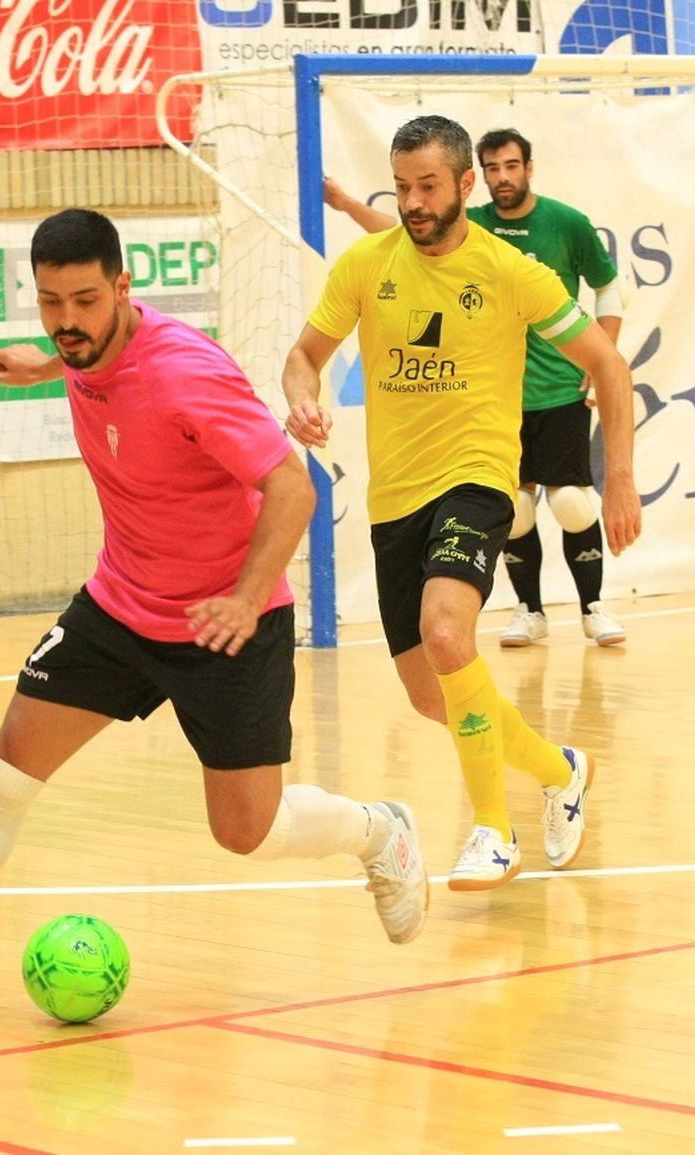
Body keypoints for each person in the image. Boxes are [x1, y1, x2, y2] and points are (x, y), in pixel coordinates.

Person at [0, 210, 429, 1008]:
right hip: (121, 603)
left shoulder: (184, 373)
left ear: (124, 289)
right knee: (3, 770)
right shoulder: (85, 347)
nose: (68, 322)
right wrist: (43, 366)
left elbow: (293, 487)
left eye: (86, 302)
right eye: (51, 303)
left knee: (246, 830)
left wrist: (242, 599)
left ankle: (378, 829)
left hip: (223, 620)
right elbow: (91, 364)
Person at [286, 115, 641, 892]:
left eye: (428, 187)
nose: (412, 202)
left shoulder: (511, 270)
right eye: (402, 186)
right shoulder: (365, 264)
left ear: (464, 186)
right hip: (394, 499)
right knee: (430, 693)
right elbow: (304, 357)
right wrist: (302, 398)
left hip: (477, 476)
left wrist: (617, 476)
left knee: (447, 630)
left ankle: (493, 828)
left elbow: (608, 365)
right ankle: (561, 768)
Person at [325, 127, 629, 648]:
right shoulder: (436, 233)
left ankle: (592, 605)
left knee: (574, 504)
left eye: (511, 166)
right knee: (520, 514)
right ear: (479, 177)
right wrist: (350, 204)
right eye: (402, 187)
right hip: (423, 468)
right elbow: (392, 238)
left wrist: (621, 473)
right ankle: (529, 610)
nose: (502, 176)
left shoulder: (556, 230)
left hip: (550, 396)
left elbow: (608, 291)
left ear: (526, 168)